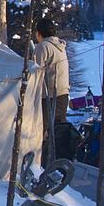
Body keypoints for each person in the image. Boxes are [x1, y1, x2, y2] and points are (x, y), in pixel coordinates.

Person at [34, 17, 69, 167]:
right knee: (58, 130)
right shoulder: (60, 46)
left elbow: (35, 70)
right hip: (63, 94)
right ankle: (58, 162)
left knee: (42, 131)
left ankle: (40, 165)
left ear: (39, 33)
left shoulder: (43, 47)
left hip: (49, 96)